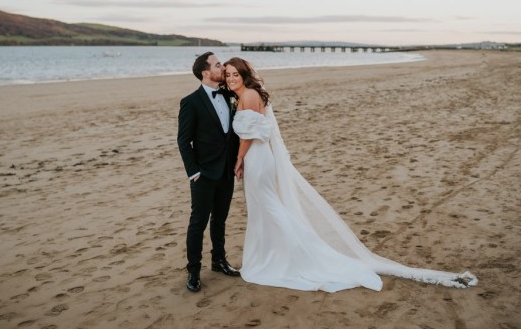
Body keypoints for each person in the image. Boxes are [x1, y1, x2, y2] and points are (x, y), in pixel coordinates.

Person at [224, 57, 478, 292]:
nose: (231, 78)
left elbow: (249, 135)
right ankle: (274, 252)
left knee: (267, 207)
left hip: (256, 159)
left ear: (244, 75)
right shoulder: (252, 94)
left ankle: (298, 250)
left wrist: (238, 160)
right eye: (227, 75)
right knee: (264, 207)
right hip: (262, 158)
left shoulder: (247, 96)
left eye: (235, 74)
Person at [177, 52, 241, 293]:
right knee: (198, 223)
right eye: (217, 65)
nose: (222, 67)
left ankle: (219, 261)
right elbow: (183, 141)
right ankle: (193, 271)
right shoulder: (191, 102)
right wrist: (193, 173)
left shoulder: (228, 95)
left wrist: (237, 161)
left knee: (220, 220)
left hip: (226, 170)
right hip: (203, 174)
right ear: (205, 72)